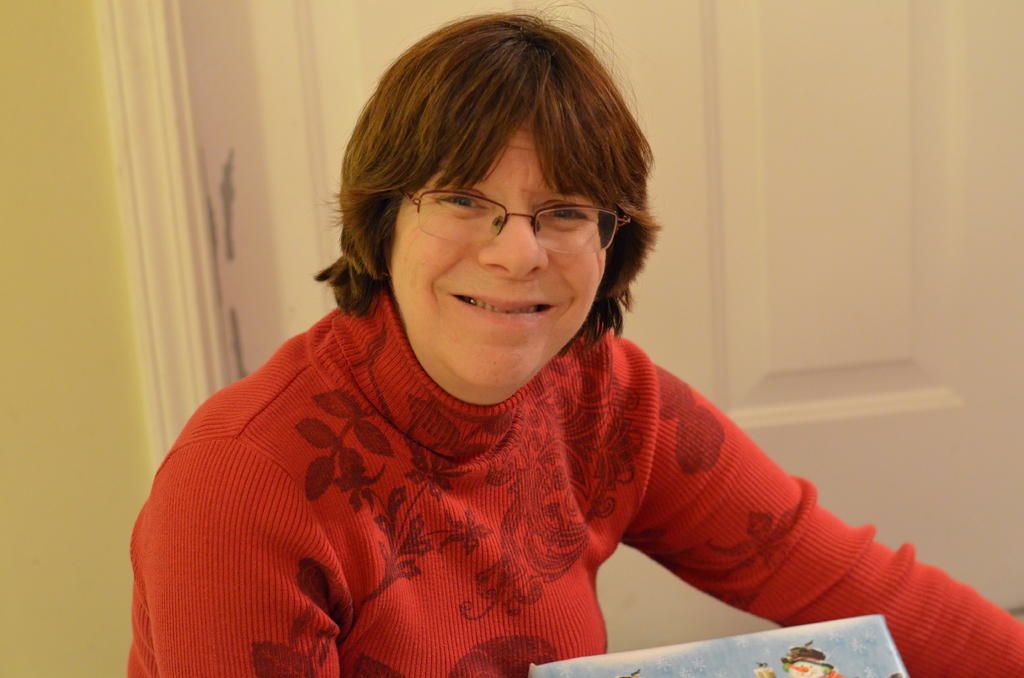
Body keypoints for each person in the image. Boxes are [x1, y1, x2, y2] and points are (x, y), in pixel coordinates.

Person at [126, 12, 1024, 678]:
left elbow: (849, 581)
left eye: (562, 210)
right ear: (383, 216)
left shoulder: (608, 401)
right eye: (463, 198)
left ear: (611, 243)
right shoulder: (241, 483)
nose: (517, 253)